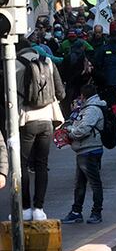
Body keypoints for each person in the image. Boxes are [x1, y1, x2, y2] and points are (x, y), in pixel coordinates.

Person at [15, 37, 67, 221]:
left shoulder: (14, 64)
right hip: (47, 119)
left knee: (21, 165)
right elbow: (61, 93)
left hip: (25, 120)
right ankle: (39, 209)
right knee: (41, 164)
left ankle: (25, 208)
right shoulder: (48, 61)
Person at [60, 84, 107, 225]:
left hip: (90, 149)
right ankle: (76, 212)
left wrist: (70, 132)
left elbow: (83, 129)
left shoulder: (92, 109)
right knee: (80, 183)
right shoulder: (88, 108)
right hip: (84, 149)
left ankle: (96, 212)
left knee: (94, 183)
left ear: (83, 96)